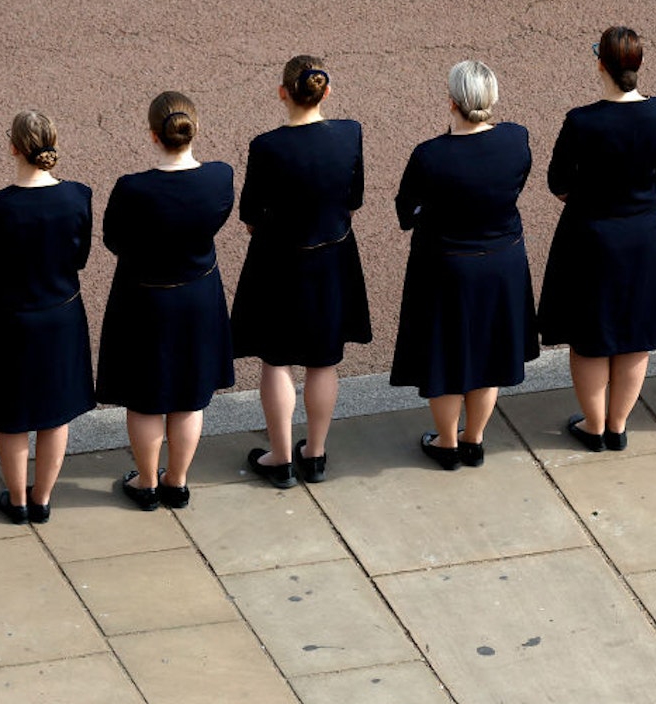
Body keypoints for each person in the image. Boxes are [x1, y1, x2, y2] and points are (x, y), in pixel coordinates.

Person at [538, 27, 656, 452]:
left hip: (592, 238)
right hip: (644, 235)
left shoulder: (582, 121)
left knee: (590, 335)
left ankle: (594, 425)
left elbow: (558, 183)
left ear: (600, 63)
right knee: (635, 332)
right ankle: (618, 425)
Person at [390, 60, 538, 469]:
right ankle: (474, 439)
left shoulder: (430, 156)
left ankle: (447, 443)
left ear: (452, 103)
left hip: (446, 268)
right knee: (488, 354)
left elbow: (406, 212)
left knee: (444, 357)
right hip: (501, 262)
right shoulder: (516, 139)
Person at [231, 55, 370, 486]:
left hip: (279, 263)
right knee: (323, 360)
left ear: (283, 93)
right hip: (332, 259)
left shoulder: (267, 146)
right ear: (326, 91)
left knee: (276, 360)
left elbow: (250, 213)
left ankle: (280, 457)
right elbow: (355, 197)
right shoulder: (349, 133)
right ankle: (315, 453)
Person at [95, 91, 235, 511]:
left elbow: (113, 240)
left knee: (145, 397)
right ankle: (177, 481)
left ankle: (146, 481)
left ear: (154, 135)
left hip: (144, 300)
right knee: (189, 395)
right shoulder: (220, 176)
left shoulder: (133, 188)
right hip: (198, 296)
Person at [0, 111, 95, 524]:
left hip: (10, 318)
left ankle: (17, 500)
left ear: (14, 147)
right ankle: (42, 498)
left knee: (12, 413)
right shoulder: (78, 196)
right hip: (60, 314)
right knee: (54, 412)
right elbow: (80, 257)